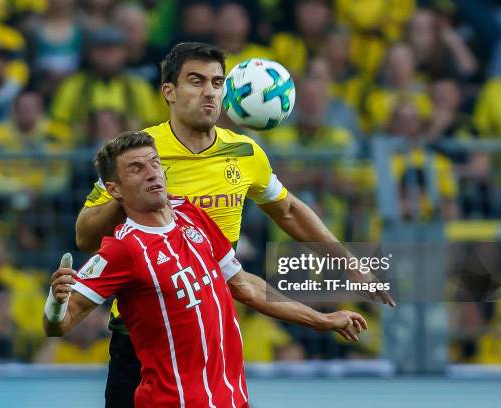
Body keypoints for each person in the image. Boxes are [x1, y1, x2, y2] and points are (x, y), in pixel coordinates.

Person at [74, 42, 395, 407]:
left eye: (216, 82)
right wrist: (129, 193)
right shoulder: (138, 155)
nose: (209, 91)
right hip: (143, 336)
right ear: (170, 91)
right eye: (196, 81)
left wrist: (349, 264)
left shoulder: (245, 152)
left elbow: (288, 210)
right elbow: (85, 236)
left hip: (212, 334)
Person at [44, 131, 368, 407]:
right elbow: (59, 324)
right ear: (114, 189)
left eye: (155, 163)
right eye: (136, 168)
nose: (152, 173)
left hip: (230, 397)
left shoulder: (192, 215)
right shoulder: (122, 249)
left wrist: (322, 319)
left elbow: (245, 286)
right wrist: (56, 303)